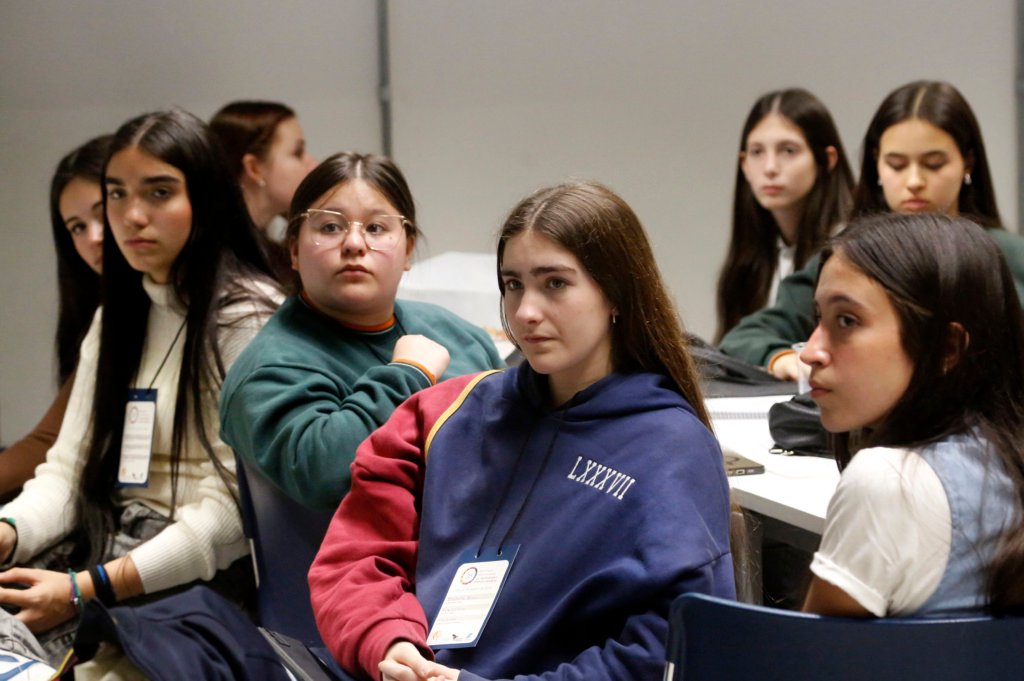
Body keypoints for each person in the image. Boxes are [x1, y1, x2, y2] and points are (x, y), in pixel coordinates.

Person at [309, 180, 735, 681]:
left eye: (555, 283)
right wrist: (389, 639)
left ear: (616, 294)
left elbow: (660, 654)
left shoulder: (671, 451)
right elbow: (357, 558)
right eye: (513, 284)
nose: (526, 312)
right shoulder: (444, 414)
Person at [0, 109, 283, 665]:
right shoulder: (120, 313)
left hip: (192, 582)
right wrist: (10, 530)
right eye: (117, 194)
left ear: (205, 198)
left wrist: (87, 589)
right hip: (103, 545)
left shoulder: (246, 318)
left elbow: (231, 516)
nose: (131, 216)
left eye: (159, 193)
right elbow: (68, 472)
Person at [219, 152, 505, 511]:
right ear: (293, 250)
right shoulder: (268, 369)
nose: (354, 243)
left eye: (375, 228)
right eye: (330, 227)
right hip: (379, 549)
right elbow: (323, 474)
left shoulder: (458, 335)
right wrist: (409, 374)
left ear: (407, 250)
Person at [719, 80, 1024, 379]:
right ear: (876, 164)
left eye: (933, 164)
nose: (914, 181)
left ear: (968, 163)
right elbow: (746, 337)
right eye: (896, 164)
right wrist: (784, 359)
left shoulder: (1010, 256)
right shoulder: (851, 258)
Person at [800, 212, 1024, 618]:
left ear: (946, 349)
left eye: (847, 320)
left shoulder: (888, 481)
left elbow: (811, 653)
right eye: (819, 318)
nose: (810, 352)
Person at [0, 135, 112, 500]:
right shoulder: (107, 319)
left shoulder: (230, 307)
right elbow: (51, 442)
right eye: (77, 227)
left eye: (102, 213)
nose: (93, 237)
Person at [715, 88, 853, 342]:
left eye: (788, 151)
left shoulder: (848, 248)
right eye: (757, 152)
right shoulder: (751, 261)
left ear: (827, 159)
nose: (770, 168)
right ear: (744, 165)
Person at [210, 100, 318, 280]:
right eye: (297, 153)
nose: (313, 165)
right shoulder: (226, 262)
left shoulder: (268, 252)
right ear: (255, 168)